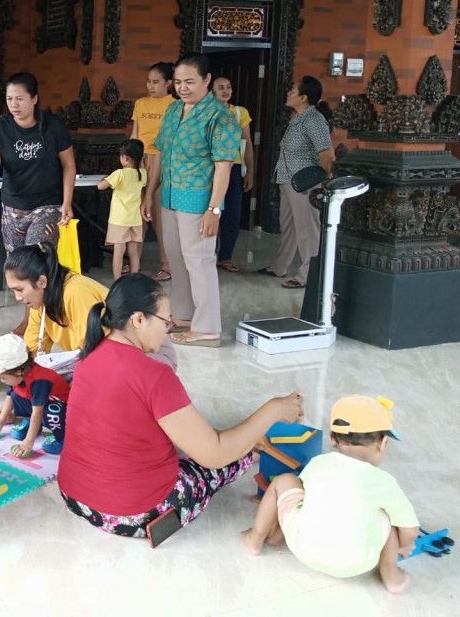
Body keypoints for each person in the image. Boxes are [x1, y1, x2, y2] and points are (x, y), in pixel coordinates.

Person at [58, 273, 304, 538]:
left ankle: (245, 442)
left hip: (75, 497)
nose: (168, 329)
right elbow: (214, 454)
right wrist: (274, 409)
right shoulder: (154, 374)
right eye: (166, 321)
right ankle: (249, 453)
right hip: (131, 515)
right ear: (139, 319)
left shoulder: (86, 359)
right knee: (226, 458)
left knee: (199, 439)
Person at [242, 395, 418, 594]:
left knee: (285, 482)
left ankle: (256, 539)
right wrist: (403, 546)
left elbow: (304, 497)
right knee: (391, 518)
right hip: (358, 563)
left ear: (333, 439)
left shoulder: (318, 464)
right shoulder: (384, 482)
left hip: (304, 549)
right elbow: (410, 530)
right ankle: (391, 575)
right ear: (383, 442)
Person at [142, 53, 240, 347]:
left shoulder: (220, 116)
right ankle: (184, 316)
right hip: (170, 195)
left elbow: (224, 166)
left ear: (207, 80)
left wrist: (214, 209)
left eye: (190, 82)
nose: (183, 88)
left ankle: (208, 327)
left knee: (200, 261)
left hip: (199, 201)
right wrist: (150, 193)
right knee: (178, 259)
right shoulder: (173, 111)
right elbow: (160, 153)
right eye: (179, 82)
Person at [0, 72, 76, 252]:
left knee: (35, 257)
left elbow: (69, 165)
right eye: (9, 99)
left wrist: (67, 202)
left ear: (34, 99)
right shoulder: (1, 128)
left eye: (19, 99)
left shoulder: (53, 125)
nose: (13, 104)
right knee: (17, 264)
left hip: (48, 204)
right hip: (13, 207)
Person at [258, 77, 335, 290]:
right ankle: (279, 266)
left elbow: (327, 153)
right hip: (287, 180)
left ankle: (308, 275)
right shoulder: (297, 118)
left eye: (292, 90)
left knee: (307, 230)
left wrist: (328, 180)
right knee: (289, 227)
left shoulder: (314, 119)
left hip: (305, 184)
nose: (288, 92)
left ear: (303, 97)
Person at [7, 243, 107, 368]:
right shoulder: (39, 303)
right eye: (13, 291)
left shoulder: (75, 293)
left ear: (42, 281)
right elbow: (32, 353)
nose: (17, 297)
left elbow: (97, 353)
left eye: (20, 289)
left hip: (116, 364)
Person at [0, 333, 68, 457]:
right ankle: (29, 423)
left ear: (18, 371)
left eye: (3, 378)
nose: (2, 381)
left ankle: (62, 438)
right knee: (16, 395)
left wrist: (28, 441)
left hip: (62, 411)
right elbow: (10, 396)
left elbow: (37, 412)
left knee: (53, 411)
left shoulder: (39, 381)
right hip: (40, 406)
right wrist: (1, 420)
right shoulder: (19, 375)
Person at [131, 62, 176, 281]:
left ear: (168, 83)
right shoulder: (140, 103)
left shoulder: (175, 106)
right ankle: (134, 264)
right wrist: (130, 162)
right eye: (149, 81)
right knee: (136, 215)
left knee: (159, 217)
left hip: (163, 163)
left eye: (156, 82)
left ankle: (167, 265)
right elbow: (135, 134)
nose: (151, 86)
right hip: (140, 161)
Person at [212, 77, 254, 273]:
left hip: (234, 167)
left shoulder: (239, 112)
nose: (225, 90)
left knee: (232, 214)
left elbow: (247, 143)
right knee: (210, 211)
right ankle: (207, 256)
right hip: (210, 167)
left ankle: (225, 256)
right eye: (220, 87)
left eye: (228, 86)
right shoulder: (206, 111)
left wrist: (250, 171)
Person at [98, 138, 147, 279]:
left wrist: (105, 178)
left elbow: (101, 186)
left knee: (119, 253)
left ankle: (118, 280)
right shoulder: (142, 174)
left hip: (119, 219)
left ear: (125, 158)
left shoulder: (119, 174)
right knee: (133, 253)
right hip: (135, 219)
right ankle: (134, 280)